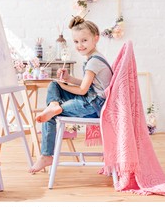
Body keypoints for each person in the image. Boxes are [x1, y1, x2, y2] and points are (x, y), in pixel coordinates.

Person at [29, 15, 113, 173]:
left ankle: (46, 155)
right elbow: (85, 85)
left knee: (51, 113)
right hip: (90, 99)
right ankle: (53, 105)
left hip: (93, 105)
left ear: (96, 38)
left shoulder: (94, 61)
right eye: (76, 42)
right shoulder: (94, 58)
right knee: (54, 85)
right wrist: (67, 79)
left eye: (84, 40)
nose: (80, 45)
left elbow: (82, 90)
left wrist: (64, 85)